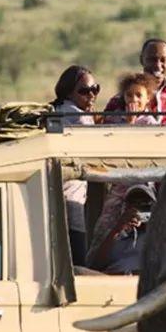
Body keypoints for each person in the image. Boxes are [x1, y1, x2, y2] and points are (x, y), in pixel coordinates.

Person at [50, 65, 98, 264]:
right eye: (84, 91)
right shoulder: (80, 117)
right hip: (72, 199)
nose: (91, 96)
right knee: (77, 263)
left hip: (50, 198)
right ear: (68, 92)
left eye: (95, 89)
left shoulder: (54, 111)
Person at [102, 38, 166, 125]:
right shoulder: (122, 98)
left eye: (163, 60)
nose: (158, 65)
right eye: (152, 60)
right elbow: (106, 131)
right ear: (142, 60)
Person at [87, 183, 155, 274]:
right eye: (134, 203)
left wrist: (151, 226)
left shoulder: (158, 237)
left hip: (142, 278)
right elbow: (95, 265)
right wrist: (119, 227)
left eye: (145, 204)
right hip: (113, 279)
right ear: (125, 207)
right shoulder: (115, 233)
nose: (138, 209)